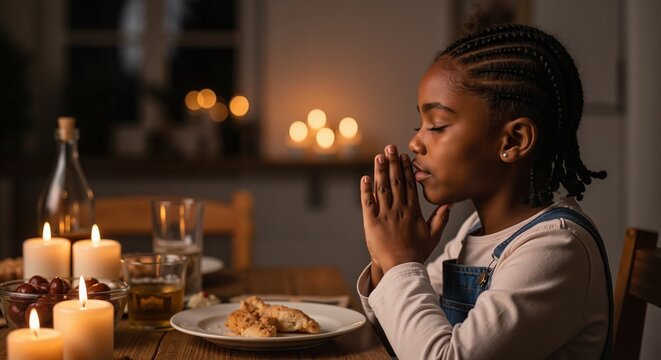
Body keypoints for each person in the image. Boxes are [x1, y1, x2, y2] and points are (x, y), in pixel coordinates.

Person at [356, 14, 612, 360]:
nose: (415, 143)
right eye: (419, 124)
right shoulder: (473, 232)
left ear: (514, 140)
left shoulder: (557, 249)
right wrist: (385, 260)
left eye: (437, 125)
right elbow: (399, 339)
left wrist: (401, 262)